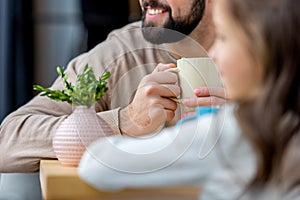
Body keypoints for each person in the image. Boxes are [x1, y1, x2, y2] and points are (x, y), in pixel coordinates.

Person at [78, 0, 300, 199]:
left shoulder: (229, 133)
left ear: (259, 49)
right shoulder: (120, 48)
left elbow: (97, 163)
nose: (213, 53)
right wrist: (126, 119)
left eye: (223, 37)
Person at [0, 0, 225, 172]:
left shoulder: (257, 52)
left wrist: (250, 119)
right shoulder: (121, 53)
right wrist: (125, 121)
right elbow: (8, 141)